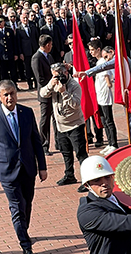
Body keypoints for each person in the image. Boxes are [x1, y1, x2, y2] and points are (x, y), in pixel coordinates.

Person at [0, 80, 47, 254]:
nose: (10, 98)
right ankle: (26, 245)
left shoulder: (27, 112)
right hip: (7, 170)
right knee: (17, 207)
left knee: (27, 203)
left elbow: (36, 141)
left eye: (12, 93)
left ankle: (23, 229)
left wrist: (42, 167)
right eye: (6, 94)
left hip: (28, 168)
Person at [40, 63, 87, 191]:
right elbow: (42, 94)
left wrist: (64, 92)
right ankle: (69, 175)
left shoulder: (74, 85)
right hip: (61, 126)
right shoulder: (54, 83)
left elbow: (76, 104)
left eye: (58, 75)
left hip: (75, 125)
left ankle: (87, 179)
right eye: (54, 76)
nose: (57, 78)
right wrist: (51, 85)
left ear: (65, 73)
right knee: (66, 153)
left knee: (81, 154)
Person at [89, 41, 118, 154]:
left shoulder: (103, 62)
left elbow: (107, 78)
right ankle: (110, 142)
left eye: (92, 50)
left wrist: (108, 83)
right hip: (99, 94)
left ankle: (114, 143)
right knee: (104, 120)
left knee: (108, 120)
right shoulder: (98, 62)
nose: (91, 52)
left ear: (98, 49)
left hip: (105, 94)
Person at [31, 35, 55, 155]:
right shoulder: (37, 58)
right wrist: (52, 84)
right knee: (45, 120)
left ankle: (60, 142)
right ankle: (43, 145)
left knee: (55, 117)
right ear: (47, 45)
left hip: (53, 92)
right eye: (50, 44)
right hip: (45, 93)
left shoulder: (48, 56)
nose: (51, 46)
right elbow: (40, 79)